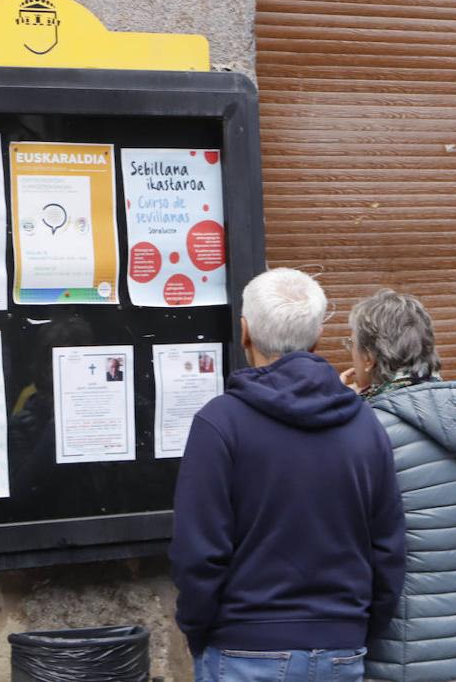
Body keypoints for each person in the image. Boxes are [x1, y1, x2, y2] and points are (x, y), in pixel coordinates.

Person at [170, 268, 406, 682]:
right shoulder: (364, 425)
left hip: (242, 649)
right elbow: (387, 549)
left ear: (244, 332)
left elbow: (198, 553)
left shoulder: (220, 424)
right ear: (315, 340)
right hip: (340, 649)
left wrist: (199, 630)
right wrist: (356, 630)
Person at [342, 289, 456, 682]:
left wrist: (341, 409)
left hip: (403, 659)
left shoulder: (367, 434)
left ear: (369, 357)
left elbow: (356, 554)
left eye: (353, 345)